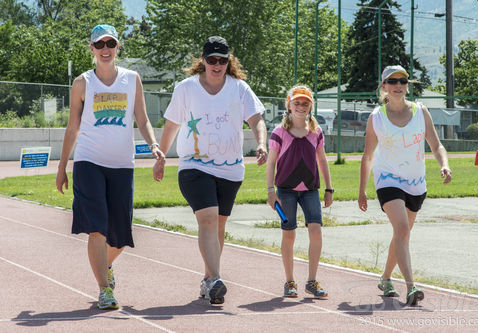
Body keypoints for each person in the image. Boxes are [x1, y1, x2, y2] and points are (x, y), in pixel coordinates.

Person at [152, 36, 268, 305]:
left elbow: (256, 119)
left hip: (230, 169)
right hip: (194, 165)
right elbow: (172, 125)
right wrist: (161, 157)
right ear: (202, 61)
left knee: (218, 226)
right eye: (212, 59)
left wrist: (261, 143)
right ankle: (216, 278)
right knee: (207, 218)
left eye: (222, 60)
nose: (217, 65)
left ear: (229, 62)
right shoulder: (186, 89)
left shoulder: (239, 88)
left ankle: (208, 281)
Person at [56, 24, 164, 310]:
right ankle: (105, 290)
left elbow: (142, 119)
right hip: (89, 162)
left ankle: (105, 269)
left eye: (111, 44)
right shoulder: (82, 83)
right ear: (91, 49)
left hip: (121, 165)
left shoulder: (132, 79)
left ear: (117, 48)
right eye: (100, 44)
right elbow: (73, 127)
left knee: (121, 235)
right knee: (97, 228)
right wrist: (62, 166)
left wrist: (154, 146)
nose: (106, 49)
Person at [358, 65, 452, 306]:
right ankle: (411, 287)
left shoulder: (421, 112)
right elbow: (368, 156)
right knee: (402, 229)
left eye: (402, 81)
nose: (398, 85)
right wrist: (361, 191)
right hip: (388, 179)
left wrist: (444, 164)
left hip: (416, 182)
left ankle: (386, 278)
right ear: (384, 87)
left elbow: (436, 144)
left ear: (407, 85)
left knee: (402, 234)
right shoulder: (376, 118)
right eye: (392, 81)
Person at [266, 85, 333, 298]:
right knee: (289, 235)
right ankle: (289, 281)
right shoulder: (279, 132)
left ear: (310, 106)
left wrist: (329, 188)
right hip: (285, 191)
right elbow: (270, 163)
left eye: (305, 103)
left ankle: (312, 281)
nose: (301, 106)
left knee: (316, 231)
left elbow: (322, 160)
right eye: (297, 103)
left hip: (310, 191)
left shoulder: (316, 132)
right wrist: (270, 190)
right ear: (289, 105)